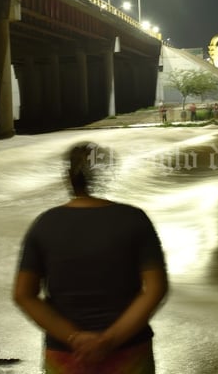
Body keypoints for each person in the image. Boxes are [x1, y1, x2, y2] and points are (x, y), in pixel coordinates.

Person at [14, 143, 169, 374]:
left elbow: (23, 295)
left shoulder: (45, 224)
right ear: (106, 174)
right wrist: (109, 340)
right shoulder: (134, 220)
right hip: (129, 353)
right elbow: (156, 289)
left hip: (66, 355)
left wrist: (74, 337)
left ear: (68, 177)